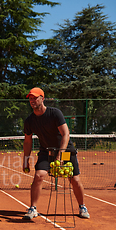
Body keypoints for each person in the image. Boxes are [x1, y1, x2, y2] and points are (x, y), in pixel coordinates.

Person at [22, 87, 90, 220]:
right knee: (38, 176)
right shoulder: (29, 120)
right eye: (30, 98)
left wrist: (60, 155)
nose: (32, 100)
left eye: (35, 97)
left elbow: (66, 134)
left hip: (65, 151)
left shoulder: (55, 113)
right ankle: (33, 208)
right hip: (46, 152)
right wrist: (25, 160)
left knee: (74, 179)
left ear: (42, 98)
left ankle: (82, 206)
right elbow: (27, 142)